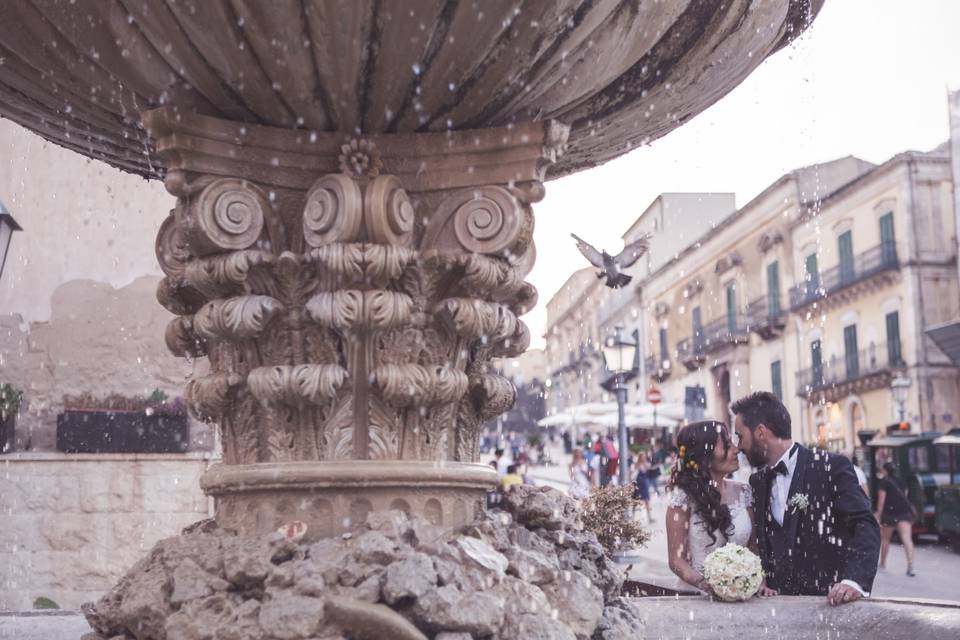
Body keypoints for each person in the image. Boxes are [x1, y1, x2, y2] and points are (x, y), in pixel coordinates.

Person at [732, 391, 880, 606]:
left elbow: (865, 524)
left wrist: (854, 581)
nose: (738, 446)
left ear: (761, 432)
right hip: (778, 608)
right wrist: (761, 579)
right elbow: (763, 542)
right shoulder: (757, 481)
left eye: (740, 435)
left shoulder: (830, 467)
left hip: (830, 606)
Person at [665, 421, 755, 594]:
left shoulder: (745, 492)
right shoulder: (682, 500)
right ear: (704, 457)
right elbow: (677, 561)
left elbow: (753, 548)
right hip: (697, 596)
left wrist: (755, 579)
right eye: (727, 446)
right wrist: (711, 585)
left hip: (741, 594)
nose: (736, 450)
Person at [875, 462, 917, 576]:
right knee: (907, 539)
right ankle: (911, 566)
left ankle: (883, 564)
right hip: (903, 513)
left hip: (889, 514)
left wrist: (878, 514)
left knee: (885, 540)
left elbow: (881, 501)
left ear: (885, 470)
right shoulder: (902, 482)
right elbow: (906, 496)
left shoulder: (884, 482)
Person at [632, 451, 654, 523]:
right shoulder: (637, 464)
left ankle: (649, 517)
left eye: (644, 456)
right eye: (642, 456)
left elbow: (649, 467)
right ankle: (632, 517)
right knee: (635, 501)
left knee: (646, 500)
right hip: (638, 484)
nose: (644, 458)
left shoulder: (646, 464)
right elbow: (633, 471)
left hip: (644, 484)